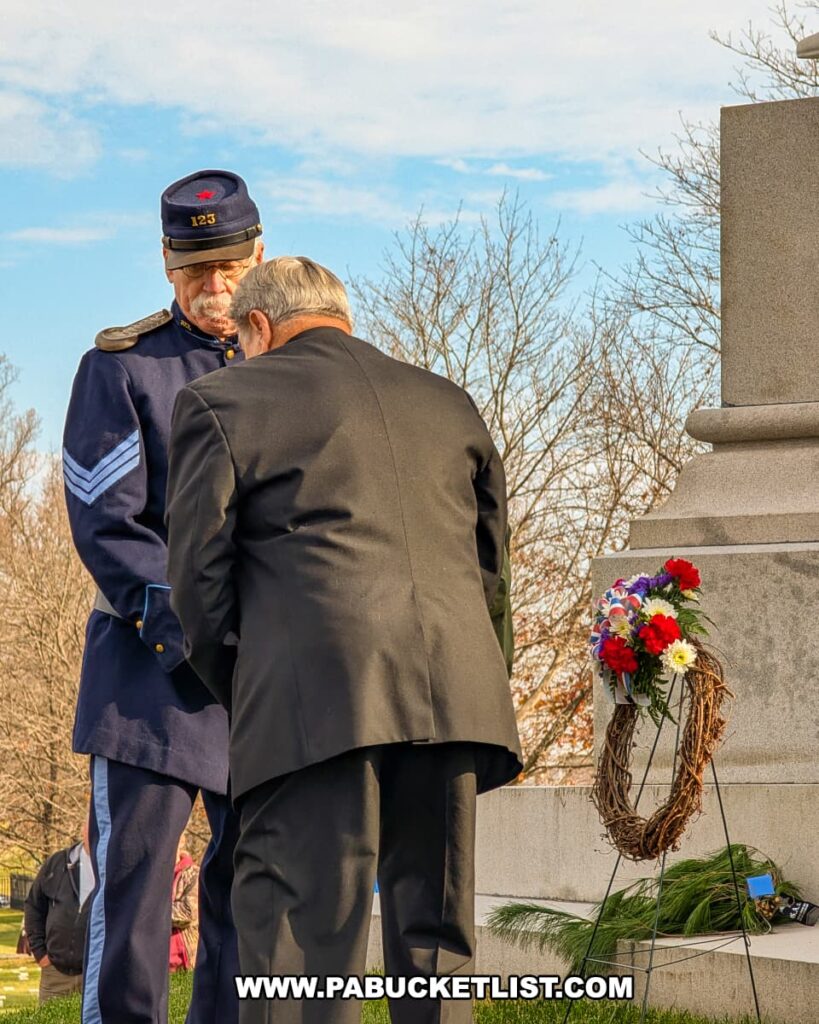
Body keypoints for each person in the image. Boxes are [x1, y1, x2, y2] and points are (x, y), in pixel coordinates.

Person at [165, 256, 523, 1024]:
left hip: (312, 700)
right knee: (435, 938)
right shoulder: (448, 401)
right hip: (454, 700)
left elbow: (198, 582)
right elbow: (492, 568)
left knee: (300, 944)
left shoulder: (220, 401)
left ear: (257, 326)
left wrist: (246, 684)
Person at [62, 169, 264, 1024]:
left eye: (228, 267)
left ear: (259, 255)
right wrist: (199, 633)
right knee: (137, 895)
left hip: (264, 676)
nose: (214, 289)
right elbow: (108, 524)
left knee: (245, 890)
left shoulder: (286, 363)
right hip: (157, 674)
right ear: (166, 266)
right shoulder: (121, 368)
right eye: (194, 271)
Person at [24, 817, 94, 1005]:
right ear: (83, 829)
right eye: (90, 825)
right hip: (55, 975)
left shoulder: (113, 869)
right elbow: (33, 906)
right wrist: (41, 955)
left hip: (93, 976)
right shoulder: (57, 863)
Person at [170, 838, 200, 972]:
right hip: (156, 960)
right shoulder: (153, 875)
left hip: (183, 962)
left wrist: (153, 911)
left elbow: (188, 913)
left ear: (181, 842)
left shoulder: (193, 873)